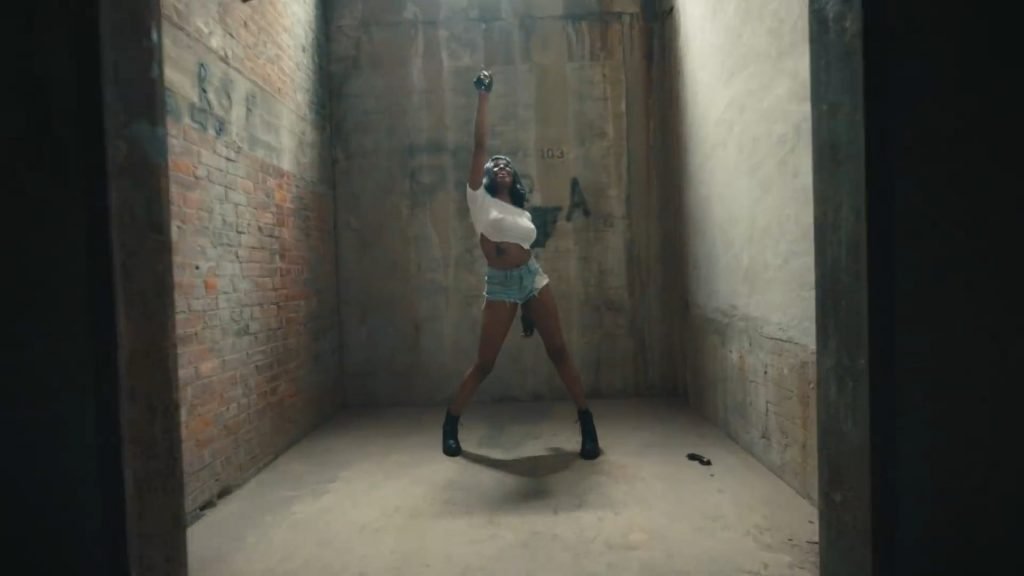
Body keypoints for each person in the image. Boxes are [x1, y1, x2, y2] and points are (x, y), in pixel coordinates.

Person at [441, 70, 601, 461]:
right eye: (494, 165)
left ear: (514, 177)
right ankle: (451, 423)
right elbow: (480, 145)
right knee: (485, 363)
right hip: (500, 285)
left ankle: (587, 423)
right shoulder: (479, 200)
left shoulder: (521, 211)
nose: (500, 166)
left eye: (506, 165)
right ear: (485, 175)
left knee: (559, 350)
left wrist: (529, 306)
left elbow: (524, 248)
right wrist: (484, 95)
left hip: (532, 279)